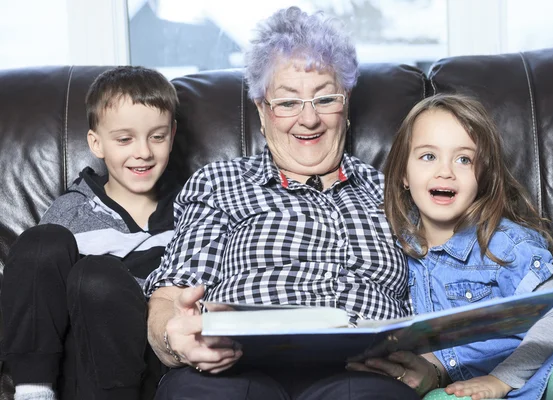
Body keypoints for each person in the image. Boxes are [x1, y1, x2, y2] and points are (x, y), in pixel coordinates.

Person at [144, 6, 419, 400]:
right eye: (287, 103)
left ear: (347, 102)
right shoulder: (220, 182)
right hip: (234, 370)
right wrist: (175, 340)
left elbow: (439, 292)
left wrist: (435, 366)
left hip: (361, 374)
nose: (308, 120)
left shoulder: (394, 192)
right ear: (261, 110)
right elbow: (171, 298)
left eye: (325, 99)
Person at [347, 93, 553, 399]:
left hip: (546, 369)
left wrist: (501, 381)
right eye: (429, 156)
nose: (445, 171)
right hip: (464, 385)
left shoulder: (503, 242)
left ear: (482, 176)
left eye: (463, 159)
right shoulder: (396, 249)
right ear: (403, 173)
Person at [0, 66, 180, 400]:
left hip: (144, 365)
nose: (143, 151)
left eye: (157, 137)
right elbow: (32, 285)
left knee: (99, 275)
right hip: (75, 367)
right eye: (124, 139)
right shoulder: (71, 211)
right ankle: (32, 391)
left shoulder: (192, 211)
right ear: (96, 144)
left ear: (172, 134)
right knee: (43, 243)